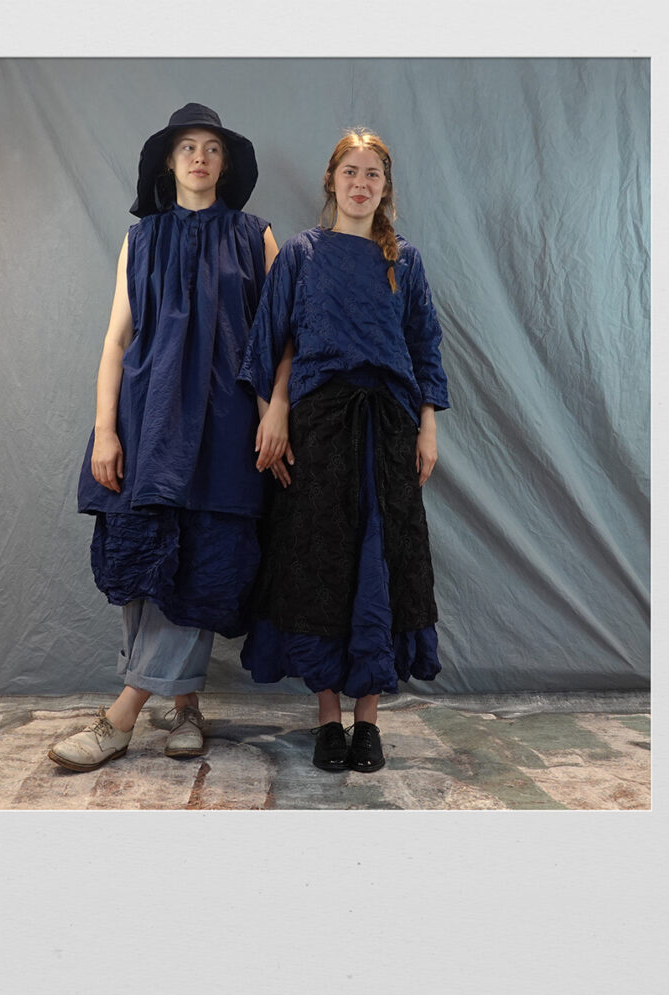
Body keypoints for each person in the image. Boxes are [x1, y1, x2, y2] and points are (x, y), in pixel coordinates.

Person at [49, 103, 288, 772]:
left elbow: (282, 337)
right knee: (145, 563)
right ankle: (184, 705)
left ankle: (121, 717)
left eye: (211, 147)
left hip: (225, 424)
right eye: (187, 147)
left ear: (226, 162)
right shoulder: (142, 239)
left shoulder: (256, 236)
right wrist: (105, 429)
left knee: (205, 560)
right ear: (168, 161)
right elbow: (116, 339)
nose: (200, 157)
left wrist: (276, 412)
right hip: (147, 420)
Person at [238, 128, 450, 773]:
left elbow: (424, 348)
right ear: (331, 180)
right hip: (318, 430)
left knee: (379, 563)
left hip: (388, 430)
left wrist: (428, 427)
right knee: (320, 566)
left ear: (385, 189)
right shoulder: (301, 254)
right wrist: (274, 415)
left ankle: (369, 722)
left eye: (372, 175)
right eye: (350, 172)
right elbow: (269, 341)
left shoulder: (404, 261)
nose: (360, 184)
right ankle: (328, 720)